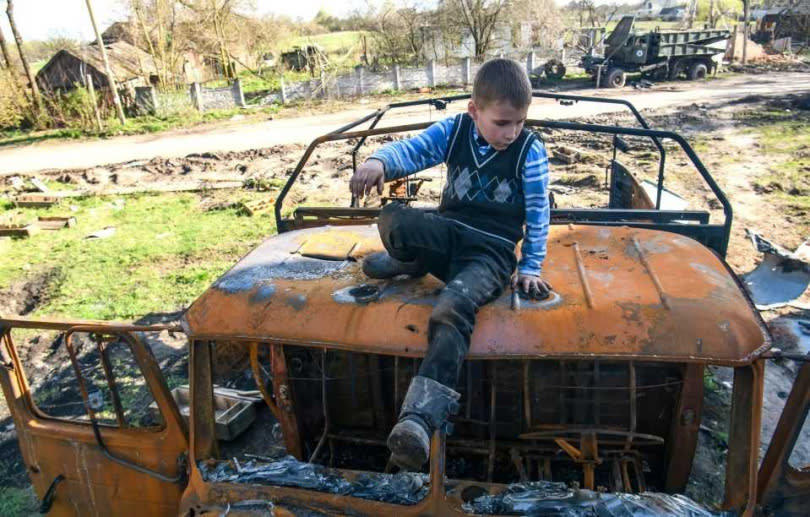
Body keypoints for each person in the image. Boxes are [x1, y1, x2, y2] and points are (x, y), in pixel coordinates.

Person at [349, 58, 552, 470]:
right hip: (448, 233)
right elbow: (415, 148)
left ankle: (419, 419)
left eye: (519, 122)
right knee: (394, 218)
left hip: (490, 253)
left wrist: (529, 267)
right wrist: (379, 162)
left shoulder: (529, 152)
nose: (511, 133)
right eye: (501, 123)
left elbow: (537, 212)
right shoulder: (455, 130)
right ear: (474, 111)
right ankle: (410, 260)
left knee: (451, 308)